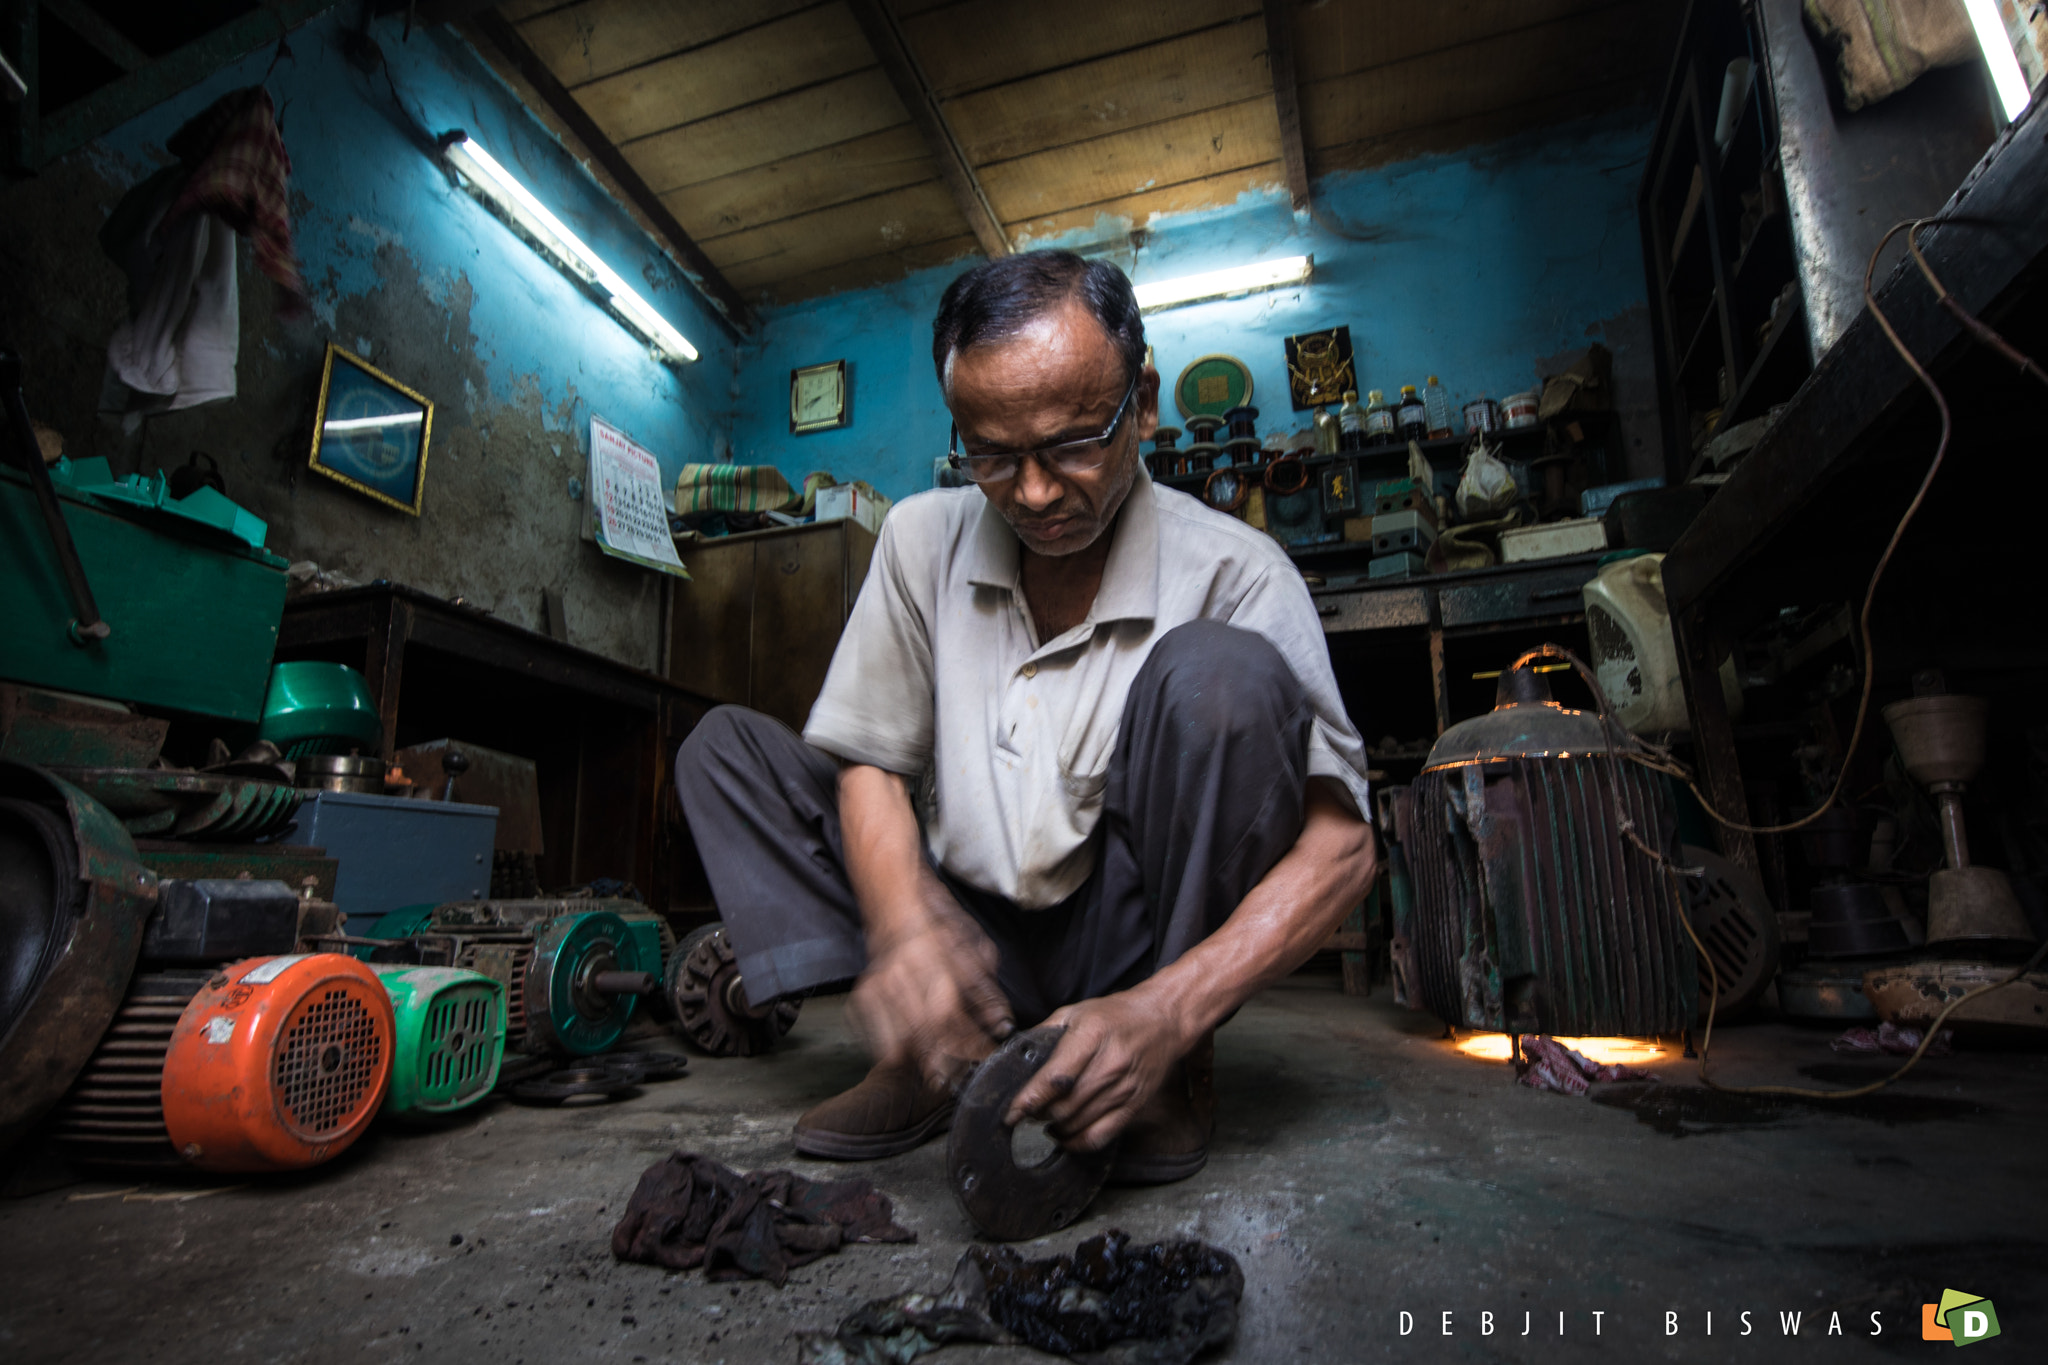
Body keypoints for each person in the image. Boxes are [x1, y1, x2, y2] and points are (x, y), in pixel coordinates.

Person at [675, 249, 1377, 1183]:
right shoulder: (920, 536)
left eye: (1075, 443)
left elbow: (1344, 850)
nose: (1036, 492)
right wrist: (904, 926)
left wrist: (1169, 1010)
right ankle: (936, 1049)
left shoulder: (1236, 571)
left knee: (1222, 678)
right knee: (725, 750)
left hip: (1130, 943)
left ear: (1147, 402)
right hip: (972, 933)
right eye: (994, 455)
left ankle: (1157, 1065)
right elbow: (870, 760)